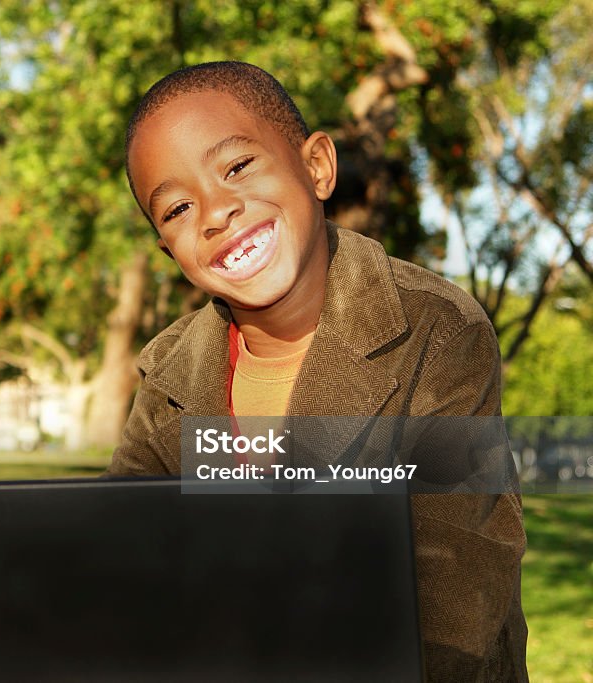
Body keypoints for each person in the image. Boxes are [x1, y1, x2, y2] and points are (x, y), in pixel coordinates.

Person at [106, 61, 527, 682]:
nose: (216, 212)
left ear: (317, 167)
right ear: (170, 251)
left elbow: (456, 593)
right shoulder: (170, 373)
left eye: (237, 167)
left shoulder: (437, 332)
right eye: (177, 209)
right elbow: (122, 563)